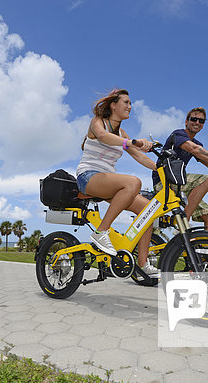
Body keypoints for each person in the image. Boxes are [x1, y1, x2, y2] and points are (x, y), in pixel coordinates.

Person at [76, 88, 159, 276]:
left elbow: (139, 156)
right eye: (126, 102)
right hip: (88, 176)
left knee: (149, 210)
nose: (130, 106)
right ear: (113, 105)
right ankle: (101, 232)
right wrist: (129, 142)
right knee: (133, 182)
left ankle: (143, 264)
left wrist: (160, 169)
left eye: (130, 103)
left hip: (107, 180)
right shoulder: (98, 122)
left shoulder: (122, 132)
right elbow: (104, 136)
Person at [152, 107, 208, 230]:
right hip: (164, 182)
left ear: (202, 125)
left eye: (201, 121)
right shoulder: (178, 134)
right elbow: (194, 149)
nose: (197, 122)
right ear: (186, 122)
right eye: (194, 119)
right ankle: (184, 220)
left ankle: (206, 248)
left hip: (179, 184)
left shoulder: (198, 144)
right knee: (206, 180)